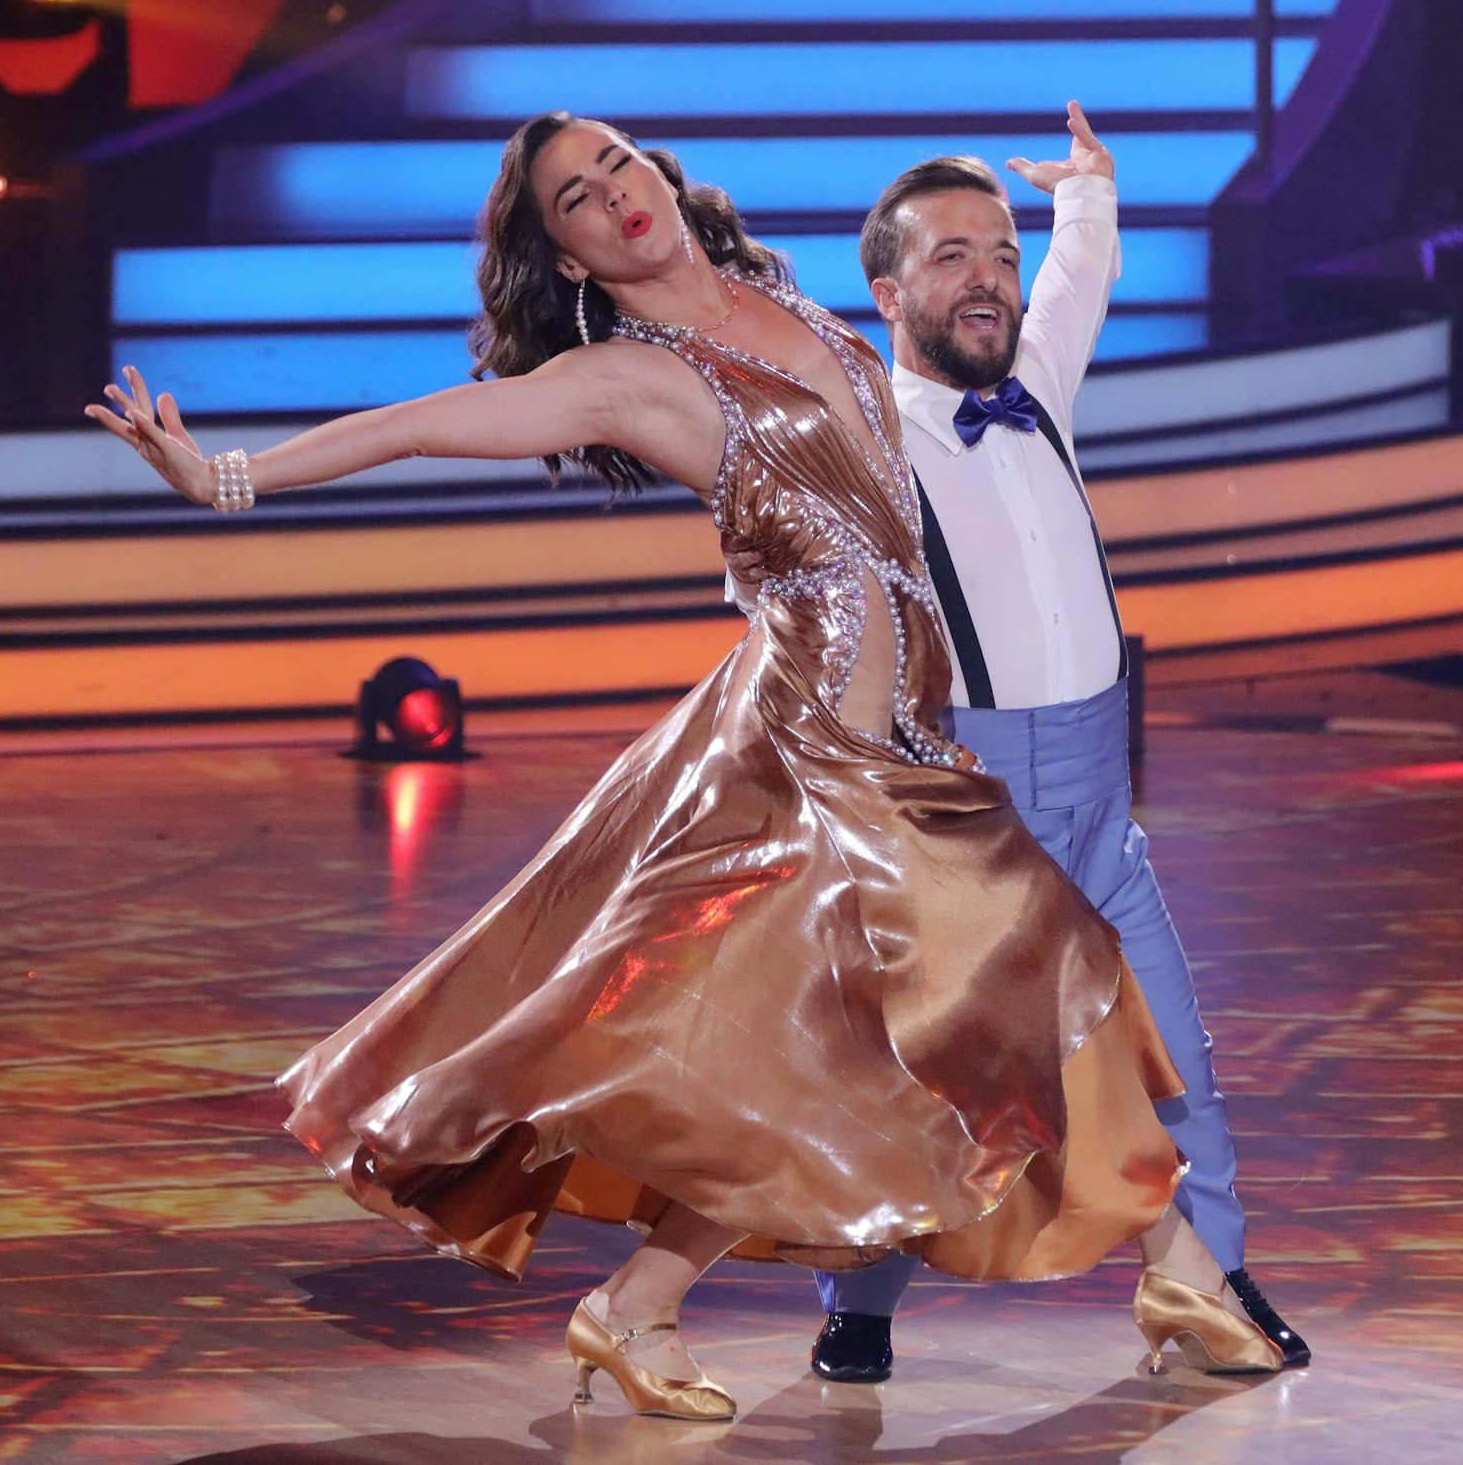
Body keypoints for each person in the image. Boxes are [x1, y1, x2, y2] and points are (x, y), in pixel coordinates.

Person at [86, 105, 1281, 1423]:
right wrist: (231, 478)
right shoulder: (629, 378)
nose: (613, 194)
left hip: (903, 741)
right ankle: (1179, 1279)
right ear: (573, 258)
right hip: (813, 747)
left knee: (836, 1062)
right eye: (576, 201)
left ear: (658, 172)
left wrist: (1080, 218)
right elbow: (423, 423)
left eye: (617, 163)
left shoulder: (777, 294)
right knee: (1052, 966)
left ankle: (638, 1307)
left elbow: (1026, 347)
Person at [802, 104, 1312, 1386]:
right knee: (932, 1084)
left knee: (1174, 1057)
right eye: (951, 256)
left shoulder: (1037, 389)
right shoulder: (863, 442)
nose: (988, 277)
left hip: (1095, 797)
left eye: (999, 253)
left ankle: (1206, 1279)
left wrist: (1087, 190)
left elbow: (1079, 275)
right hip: (969, 809)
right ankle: (857, 1304)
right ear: (887, 290)